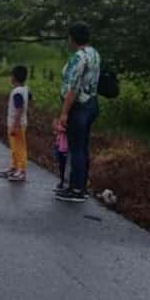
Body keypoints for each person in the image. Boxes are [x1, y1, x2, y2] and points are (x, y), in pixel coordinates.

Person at [55, 22, 100, 203]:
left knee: (76, 148)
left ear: (72, 38)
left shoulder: (78, 58)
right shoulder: (94, 54)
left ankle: (75, 189)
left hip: (78, 106)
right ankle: (81, 185)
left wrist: (64, 112)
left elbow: (73, 88)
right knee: (83, 146)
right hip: (92, 103)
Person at [0, 65, 31, 182]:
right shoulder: (25, 89)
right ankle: (14, 167)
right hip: (18, 123)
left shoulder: (17, 92)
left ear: (14, 78)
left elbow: (19, 108)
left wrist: (16, 123)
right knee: (14, 147)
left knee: (19, 147)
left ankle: (21, 170)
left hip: (16, 124)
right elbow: (30, 98)